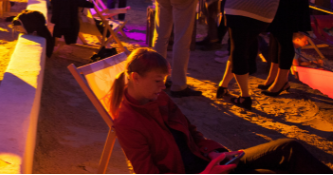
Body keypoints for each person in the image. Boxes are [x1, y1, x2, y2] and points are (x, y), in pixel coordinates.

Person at [108, 48, 333, 174]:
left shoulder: (158, 97)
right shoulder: (127, 121)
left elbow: (192, 132)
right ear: (135, 78)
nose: (163, 87)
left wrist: (214, 153)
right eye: (158, 81)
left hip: (209, 161)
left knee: (288, 148)